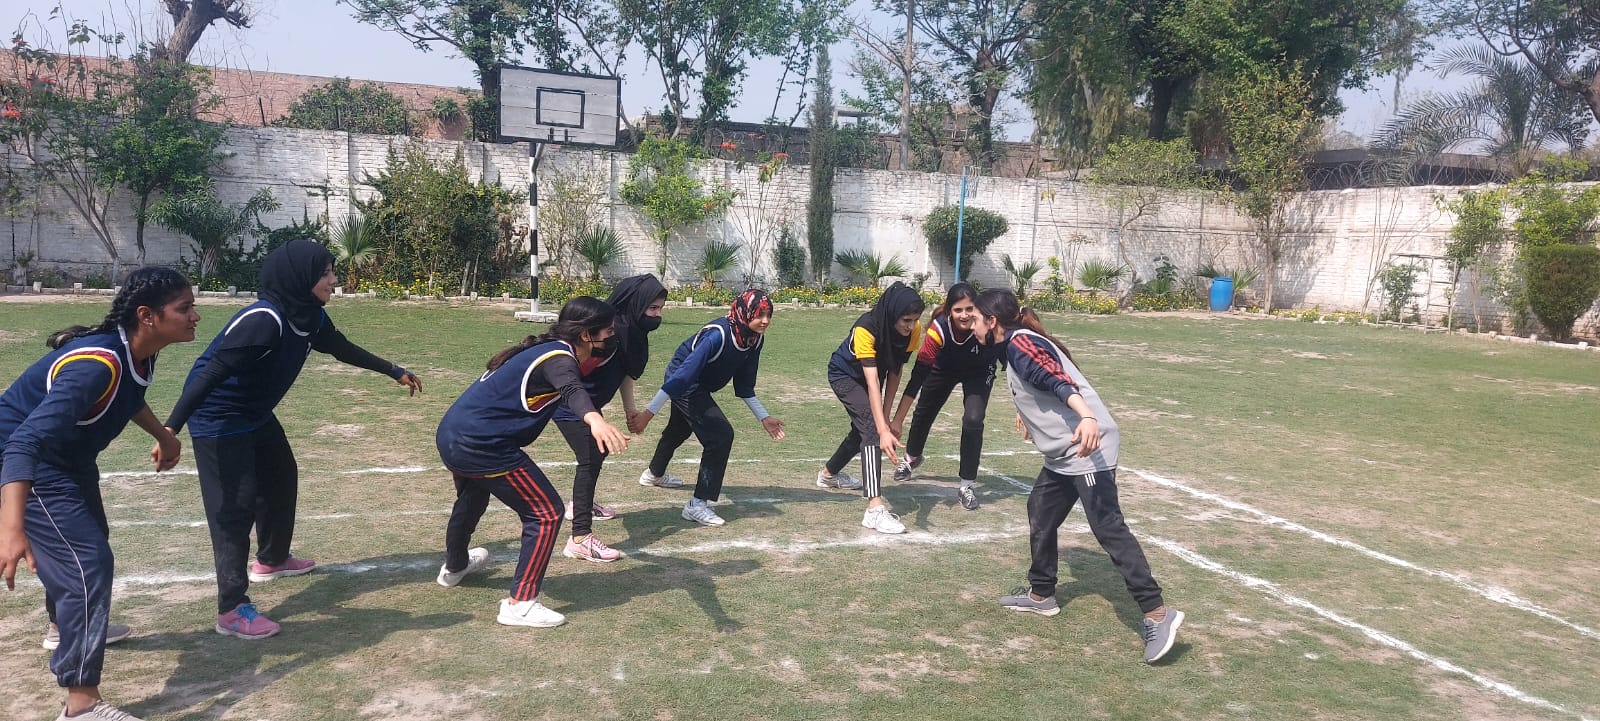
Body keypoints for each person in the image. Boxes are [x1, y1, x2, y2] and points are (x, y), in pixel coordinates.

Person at [163, 240, 423, 640]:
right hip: (219, 418)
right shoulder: (264, 319)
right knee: (234, 508)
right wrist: (171, 429)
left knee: (281, 476)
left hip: (255, 414)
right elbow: (208, 374)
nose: (334, 281)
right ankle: (231, 609)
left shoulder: (309, 316)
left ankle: (272, 559)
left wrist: (393, 370)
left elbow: (341, 349)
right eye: (326, 274)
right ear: (300, 278)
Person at [1, 267, 199, 721]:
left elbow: (128, 395)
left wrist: (165, 435)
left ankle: (63, 627)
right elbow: (23, 443)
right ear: (148, 316)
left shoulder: (138, 352)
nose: (195, 317)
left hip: (67, 460)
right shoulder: (96, 365)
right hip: (28, 461)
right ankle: (82, 704)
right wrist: (11, 527)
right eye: (185, 308)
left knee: (88, 544)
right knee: (88, 564)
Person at [972, 288, 1183, 664]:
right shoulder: (1015, 347)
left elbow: (1057, 379)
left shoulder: (1020, 343)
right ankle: (1041, 595)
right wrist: (1027, 410)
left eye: (974, 318)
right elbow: (1042, 383)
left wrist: (1087, 417)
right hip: (1063, 455)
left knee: (1108, 528)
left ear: (992, 322)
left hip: (1086, 449)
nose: (970, 324)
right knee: (1040, 512)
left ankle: (1157, 613)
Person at [434, 296, 630, 628]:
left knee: (472, 497)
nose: (613, 337)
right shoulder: (559, 357)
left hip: (453, 434)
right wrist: (595, 420)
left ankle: (455, 567)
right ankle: (520, 603)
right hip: (481, 443)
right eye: (608, 331)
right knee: (545, 512)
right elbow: (571, 389)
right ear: (586, 335)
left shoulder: (544, 347)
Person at [633, 289, 786, 527]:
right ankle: (697, 504)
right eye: (759, 314)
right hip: (684, 381)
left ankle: (653, 474)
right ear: (744, 313)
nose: (765, 320)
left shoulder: (754, 339)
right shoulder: (718, 335)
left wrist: (764, 417)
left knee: (679, 430)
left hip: (698, 385)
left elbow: (744, 386)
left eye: (768, 314)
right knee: (720, 435)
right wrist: (647, 414)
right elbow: (682, 377)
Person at [552, 274, 667, 563]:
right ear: (636, 305)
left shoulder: (633, 334)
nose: (657, 315)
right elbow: (571, 369)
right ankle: (580, 537)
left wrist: (630, 410)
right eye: (652, 309)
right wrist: (584, 410)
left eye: (660, 309)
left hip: (590, 407)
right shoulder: (609, 334)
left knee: (596, 454)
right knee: (591, 455)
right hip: (571, 405)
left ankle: (582, 504)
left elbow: (624, 373)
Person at [816, 282, 925, 534]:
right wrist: (881, 429)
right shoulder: (866, 329)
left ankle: (828, 474)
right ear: (891, 313)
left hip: (877, 375)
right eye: (906, 320)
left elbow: (896, 371)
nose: (910, 326)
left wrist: (886, 419)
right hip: (844, 375)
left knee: (866, 429)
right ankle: (874, 511)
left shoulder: (914, 330)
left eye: (915, 320)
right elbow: (872, 381)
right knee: (871, 431)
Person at [888, 283, 998, 510]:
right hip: (943, 369)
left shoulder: (987, 327)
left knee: (973, 420)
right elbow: (917, 377)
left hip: (978, 371)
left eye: (969, 309)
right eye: (958, 310)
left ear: (976, 309)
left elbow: (1011, 359)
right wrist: (898, 419)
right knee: (924, 410)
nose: (964, 315)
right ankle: (911, 459)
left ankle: (966, 484)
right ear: (949, 310)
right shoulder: (938, 331)